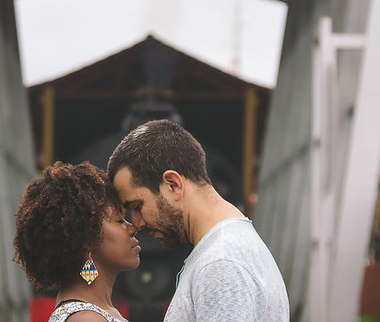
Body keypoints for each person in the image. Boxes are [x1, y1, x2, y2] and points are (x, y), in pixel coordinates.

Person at [107, 119, 289, 322]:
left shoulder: (221, 264)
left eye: (137, 207)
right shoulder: (226, 250)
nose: (137, 223)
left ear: (173, 184)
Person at [14, 161, 142, 322]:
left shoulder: (95, 313)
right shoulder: (85, 319)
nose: (132, 228)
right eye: (119, 221)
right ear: (87, 239)